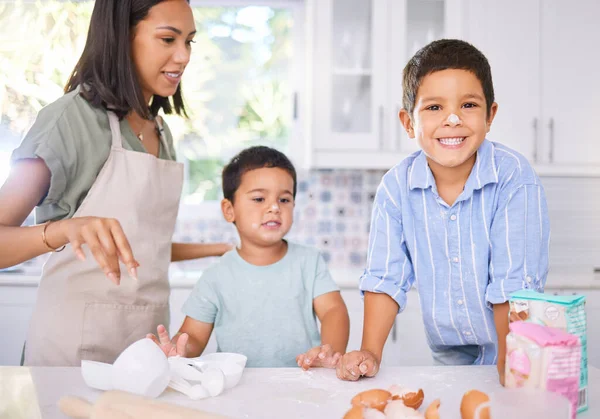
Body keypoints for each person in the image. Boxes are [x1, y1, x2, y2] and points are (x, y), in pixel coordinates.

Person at [0, 0, 230, 366]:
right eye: (168, 39)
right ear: (122, 37)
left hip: (147, 349)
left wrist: (221, 251)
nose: (183, 56)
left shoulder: (160, 132)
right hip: (70, 353)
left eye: (189, 42)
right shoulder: (70, 120)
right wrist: (63, 230)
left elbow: (142, 248)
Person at [336, 39, 550, 384]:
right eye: (434, 108)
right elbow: (385, 278)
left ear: (490, 115)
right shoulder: (396, 188)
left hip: (512, 342)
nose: (452, 120)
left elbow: (514, 284)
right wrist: (370, 352)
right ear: (408, 122)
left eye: (468, 105)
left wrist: (511, 362)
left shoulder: (513, 177)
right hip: (449, 352)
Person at [147, 146, 350, 368]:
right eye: (259, 199)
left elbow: (333, 311)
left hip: (302, 384)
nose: (274, 207)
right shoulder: (216, 277)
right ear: (229, 210)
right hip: (237, 387)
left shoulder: (309, 262)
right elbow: (193, 336)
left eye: (284, 200)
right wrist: (178, 350)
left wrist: (329, 352)